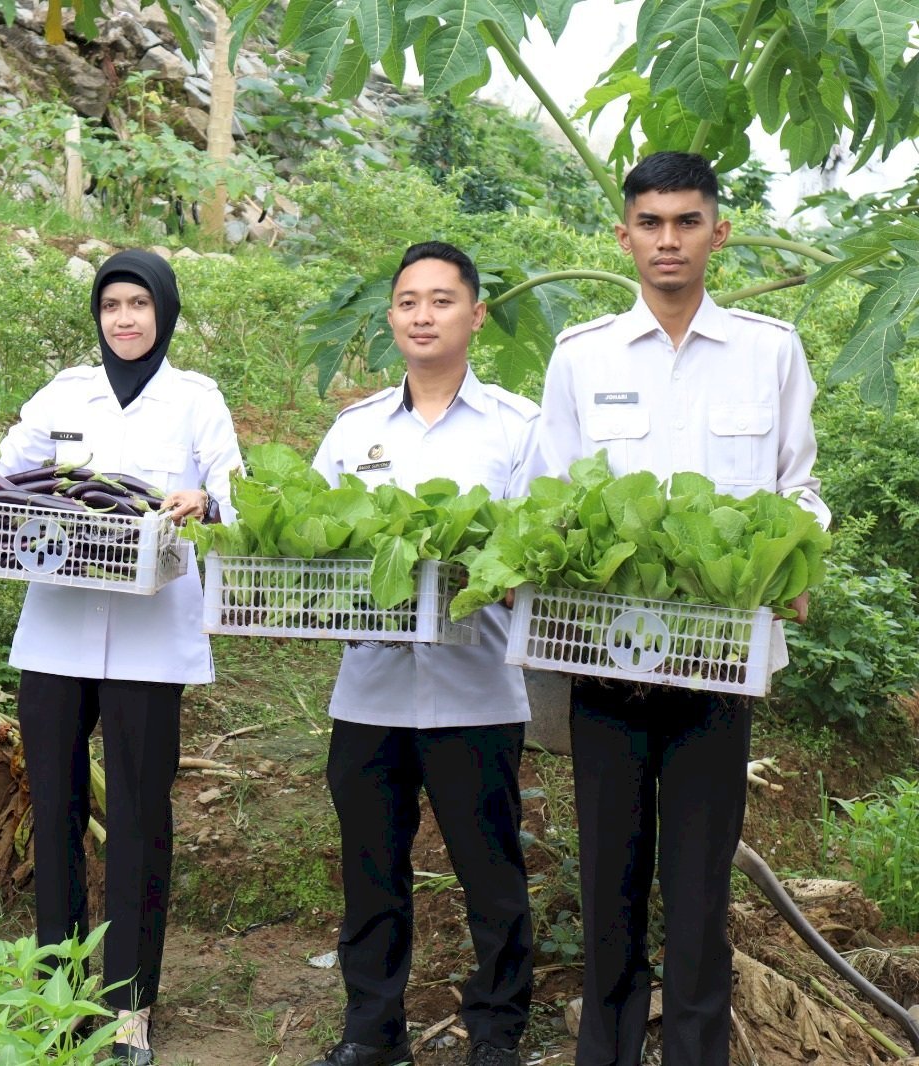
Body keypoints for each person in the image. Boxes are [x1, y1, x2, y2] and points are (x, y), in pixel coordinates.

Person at [531, 151, 830, 1066]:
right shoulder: (580, 356)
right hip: (606, 662)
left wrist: (794, 561)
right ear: (624, 236)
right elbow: (549, 496)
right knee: (609, 884)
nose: (669, 240)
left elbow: (802, 489)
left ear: (717, 233)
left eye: (687, 222)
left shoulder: (769, 351)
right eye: (651, 223)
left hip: (717, 666)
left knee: (699, 893)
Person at [0, 249, 241, 1064]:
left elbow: (236, 486)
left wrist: (206, 497)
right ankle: (58, 988)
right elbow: (2, 468)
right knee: (52, 809)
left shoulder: (196, 400)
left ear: (165, 312)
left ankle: (130, 1007)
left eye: (139, 305)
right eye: (112, 304)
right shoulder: (64, 393)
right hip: (56, 630)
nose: (124, 319)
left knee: (137, 816)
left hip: (153, 638)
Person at [304, 243, 536, 1066]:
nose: (423, 315)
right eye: (408, 302)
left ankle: (499, 1032)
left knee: (492, 876)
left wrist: (498, 575)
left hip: (478, 693)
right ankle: (372, 1031)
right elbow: (310, 548)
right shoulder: (353, 429)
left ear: (476, 316)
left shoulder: (519, 427)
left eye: (442, 301)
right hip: (368, 692)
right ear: (392, 319)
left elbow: (540, 548)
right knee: (371, 873)